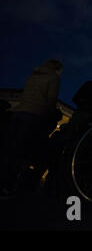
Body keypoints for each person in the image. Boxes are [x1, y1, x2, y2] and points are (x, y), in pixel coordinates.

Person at [1, 59, 63, 196]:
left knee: (10, 150)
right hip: (34, 115)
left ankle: (4, 182)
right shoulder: (54, 77)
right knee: (24, 151)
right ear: (58, 69)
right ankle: (9, 187)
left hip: (18, 113)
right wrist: (53, 114)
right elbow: (51, 100)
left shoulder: (34, 75)